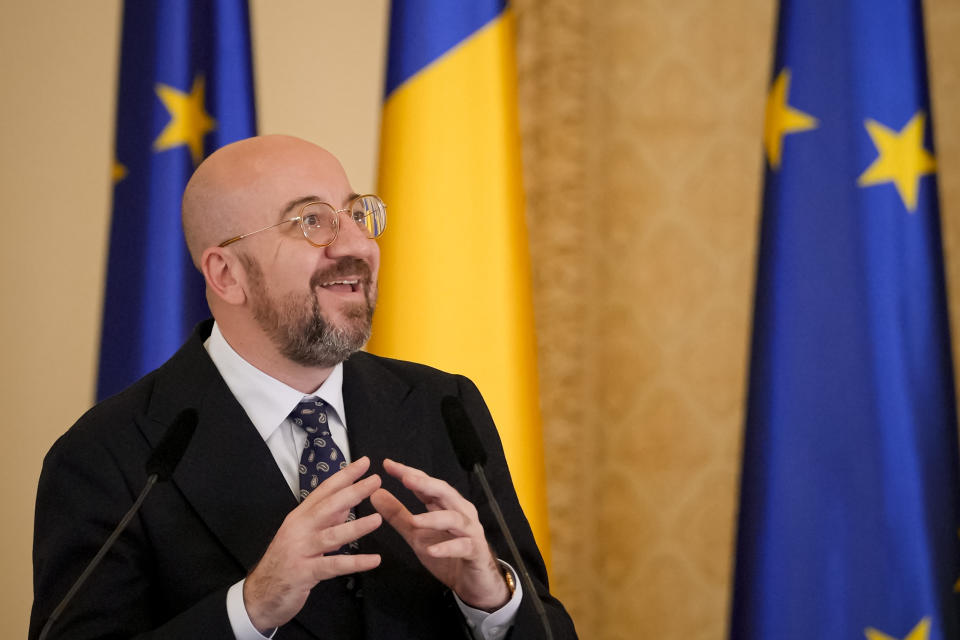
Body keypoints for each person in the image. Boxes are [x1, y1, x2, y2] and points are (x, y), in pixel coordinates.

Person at [30, 135, 577, 640]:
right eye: (311, 221)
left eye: (358, 214)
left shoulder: (443, 408)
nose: (357, 246)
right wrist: (250, 609)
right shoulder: (111, 455)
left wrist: (493, 600)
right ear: (226, 275)